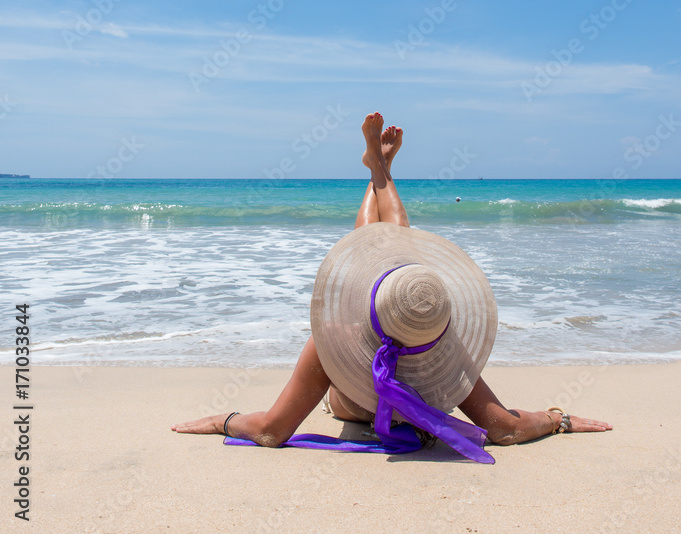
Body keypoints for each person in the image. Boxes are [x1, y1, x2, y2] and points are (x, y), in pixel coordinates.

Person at [172, 113, 611, 452]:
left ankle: (377, 167)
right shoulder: (444, 347)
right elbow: (507, 429)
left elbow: (271, 431)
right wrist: (558, 419)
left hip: (350, 404)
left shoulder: (341, 338)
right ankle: (378, 167)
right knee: (393, 254)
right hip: (377, 392)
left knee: (380, 249)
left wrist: (223, 420)